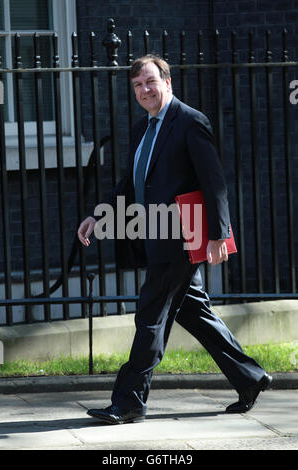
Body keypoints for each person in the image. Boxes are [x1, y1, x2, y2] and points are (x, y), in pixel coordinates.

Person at [77, 54, 272, 425]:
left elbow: (213, 182)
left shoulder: (190, 122)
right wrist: (99, 214)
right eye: (137, 85)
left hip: (183, 235)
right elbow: (132, 183)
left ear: (168, 82)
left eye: (150, 82)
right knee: (192, 310)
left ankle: (130, 400)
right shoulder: (142, 128)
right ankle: (249, 377)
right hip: (156, 232)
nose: (144, 90)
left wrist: (218, 234)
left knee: (150, 314)